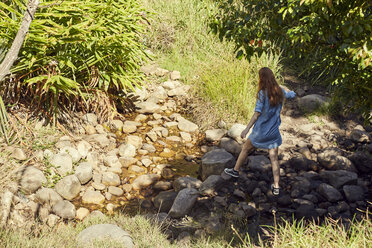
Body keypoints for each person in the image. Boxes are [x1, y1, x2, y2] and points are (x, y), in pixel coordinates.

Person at [224, 67, 296, 196]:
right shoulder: (279, 91)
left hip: (260, 132)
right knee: (274, 159)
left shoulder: (263, 93)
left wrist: (246, 129)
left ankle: (235, 170)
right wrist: (289, 90)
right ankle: (277, 186)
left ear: (261, 78)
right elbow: (292, 95)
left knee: (245, 149)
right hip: (273, 133)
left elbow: (257, 114)